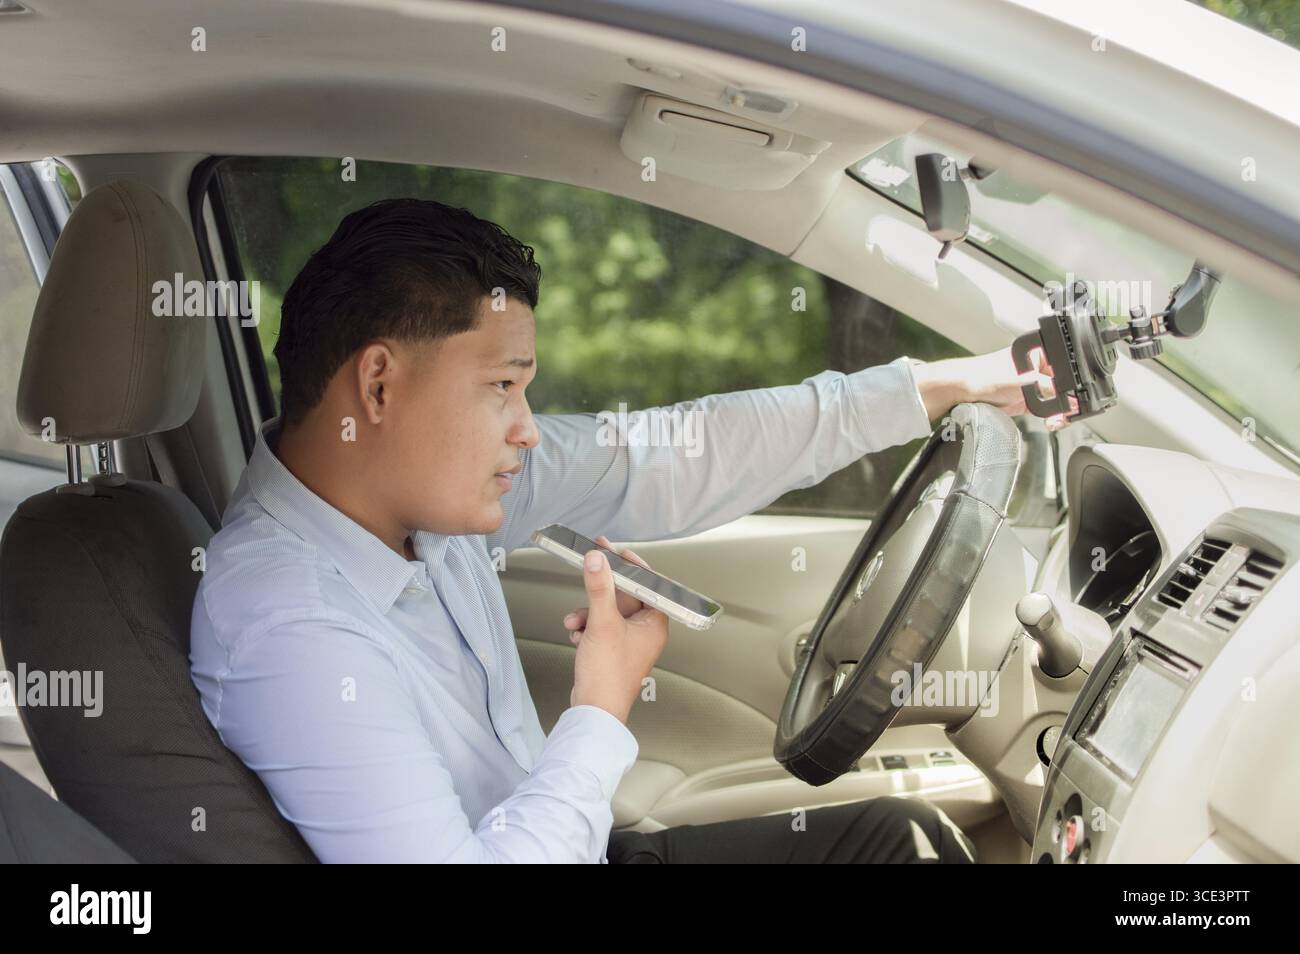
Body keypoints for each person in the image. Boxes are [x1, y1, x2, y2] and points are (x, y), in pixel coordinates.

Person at [189, 198, 1061, 863]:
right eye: (502, 387)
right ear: (379, 386)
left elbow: (669, 451)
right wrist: (601, 707)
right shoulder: (289, 626)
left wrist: (936, 388)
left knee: (896, 840)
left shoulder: (413, 498)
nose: (527, 428)